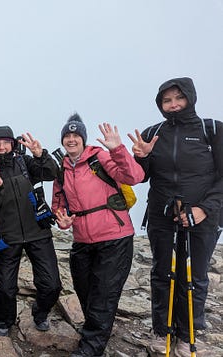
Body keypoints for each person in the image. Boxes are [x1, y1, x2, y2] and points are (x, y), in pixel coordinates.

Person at [128, 77, 222, 356]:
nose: (173, 105)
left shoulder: (212, 130)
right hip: (161, 214)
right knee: (162, 273)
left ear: (190, 99)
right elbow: (140, 177)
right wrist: (142, 157)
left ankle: (187, 334)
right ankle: (161, 332)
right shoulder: (153, 132)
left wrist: (204, 209)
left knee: (193, 276)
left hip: (202, 216)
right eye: (167, 101)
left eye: (178, 99)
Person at [51, 114, 144, 357]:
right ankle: (97, 329)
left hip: (115, 236)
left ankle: (90, 348)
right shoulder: (61, 169)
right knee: (85, 290)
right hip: (81, 239)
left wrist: (118, 149)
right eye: (67, 136)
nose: (71, 140)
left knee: (104, 293)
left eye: (75, 135)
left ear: (83, 138)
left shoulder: (100, 157)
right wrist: (62, 220)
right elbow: (59, 206)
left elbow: (134, 176)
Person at [0, 126, 62, 337]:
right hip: (7, 236)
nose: (2, 147)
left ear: (13, 144)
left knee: (51, 284)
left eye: (6, 142)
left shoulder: (25, 163)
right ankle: (3, 320)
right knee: (4, 287)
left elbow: (51, 173)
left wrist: (40, 155)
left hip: (38, 231)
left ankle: (40, 312)